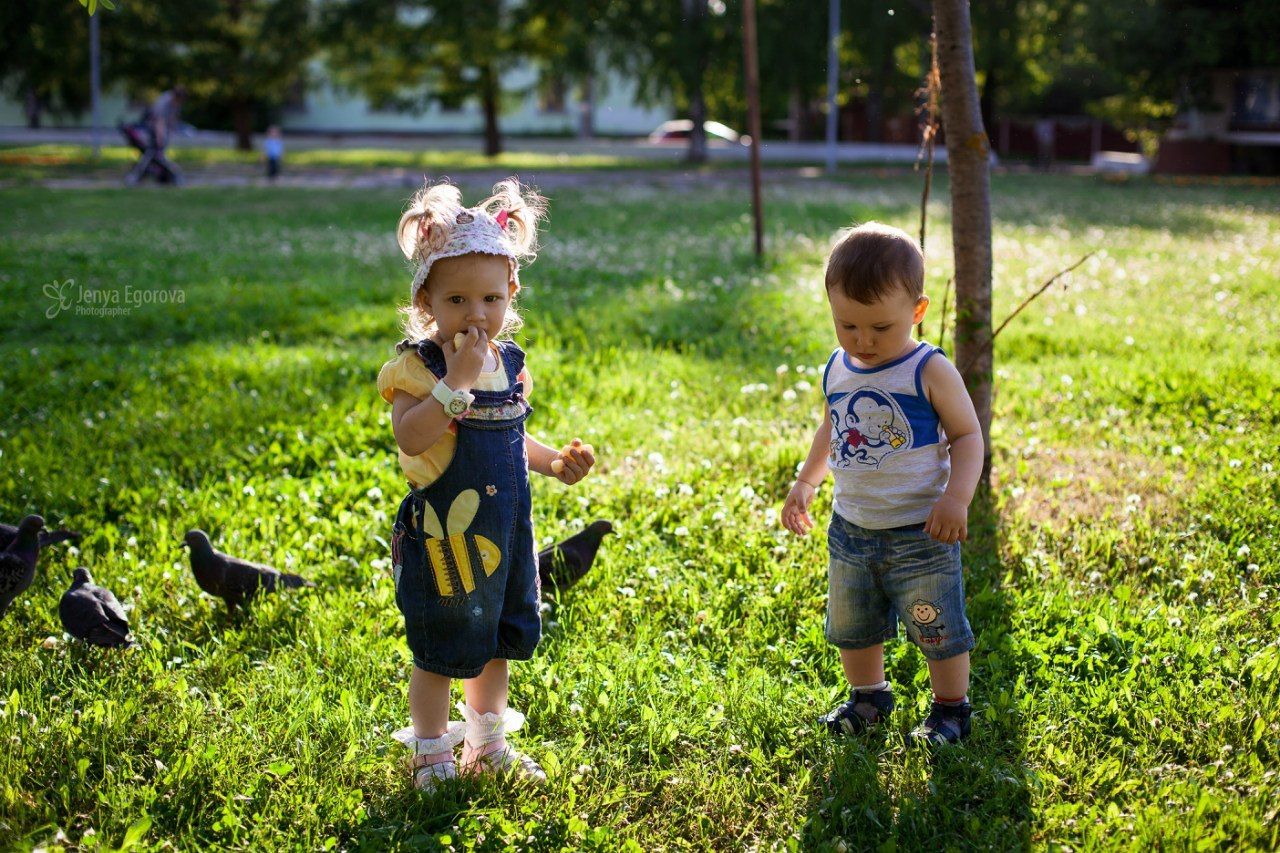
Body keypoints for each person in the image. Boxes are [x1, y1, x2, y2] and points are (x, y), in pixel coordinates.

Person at [377, 179, 596, 790]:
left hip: (503, 532)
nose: (475, 315)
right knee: (442, 645)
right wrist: (457, 382)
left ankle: (486, 743)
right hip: (446, 538)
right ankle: (430, 753)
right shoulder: (418, 369)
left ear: (511, 294)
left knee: (496, 640)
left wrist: (553, 462)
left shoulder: (510, 365)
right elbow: (413, 438)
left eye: (490, 300)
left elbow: (508, 435)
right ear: (426, 301)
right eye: (456, 300)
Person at [781, 222, 984, 746]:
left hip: (922, 533)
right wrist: (807, 480)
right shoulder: (839, 366)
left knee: (938, 627)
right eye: (846, 325)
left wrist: (956, 497)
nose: (862, 341)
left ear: (917, 311)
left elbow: (966, 435)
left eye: (879, 328)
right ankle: (868, 697)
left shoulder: (927, 369)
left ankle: (951, 709)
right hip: (852, 529)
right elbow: (832, 424)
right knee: (853, 626)